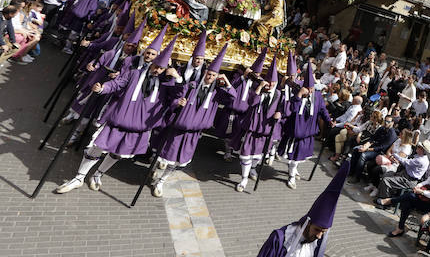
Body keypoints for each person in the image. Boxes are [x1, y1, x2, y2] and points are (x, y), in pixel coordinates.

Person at [54, 36, 181, 194]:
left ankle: (98, 175)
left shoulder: (166, 85)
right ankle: (79, 177)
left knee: (118, 153)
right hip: (118, 120)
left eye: (161, 68)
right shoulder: (134, 73)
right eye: (155, 66)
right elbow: (117, 83)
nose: (156, 70)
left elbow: (177, 98)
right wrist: (102, 88)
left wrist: (177, 79)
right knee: (96, 148)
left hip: (138, 128)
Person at [152, 44, 236, 196]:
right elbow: (175, 98)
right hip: (177, 130)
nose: (210, 78)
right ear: (205, 72)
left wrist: (227, 82)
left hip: (194, 134)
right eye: (209, 74)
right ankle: (155, 171)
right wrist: (178, 103)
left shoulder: (217, 93)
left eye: (213, 76)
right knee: (166, 156)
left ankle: (161, 181)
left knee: (179, 162)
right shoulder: (192, 86)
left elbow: (233, 98)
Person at [256, 160, 350, 257]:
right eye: (317, 229)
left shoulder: (318, 242)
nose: (319, 236)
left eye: (323, 232)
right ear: (308, 223)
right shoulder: (280, 239)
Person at [232, 61, 283, 192]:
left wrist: (279, 114)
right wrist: (259, 88)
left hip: (266, 131)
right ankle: (244, 179)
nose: (270, 85)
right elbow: (251, 102)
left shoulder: (278, 95)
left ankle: (253, 169)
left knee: (258, 156)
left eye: (273, 82)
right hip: (252, 129)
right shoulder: (257, 89)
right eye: (268, 81)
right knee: (245, 154)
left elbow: (283, 109)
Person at [384, 159, 430, 237]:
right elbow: (427, 182)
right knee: (407, 202)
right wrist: (418, 186)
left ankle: (391, 201)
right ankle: (400, 228)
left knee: (410, 196)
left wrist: (421, 192)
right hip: (424, 198)